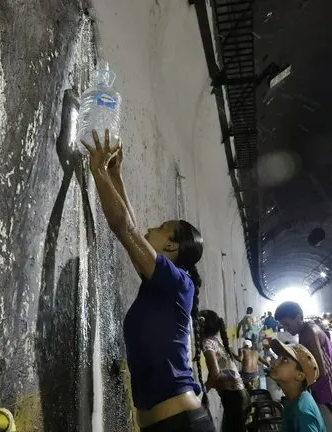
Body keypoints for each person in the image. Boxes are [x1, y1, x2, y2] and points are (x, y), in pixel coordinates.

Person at [82, 130, 215, 431]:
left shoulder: (177, 283)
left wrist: (98, 173)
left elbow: (125, 229)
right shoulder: (164, 285)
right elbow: (131, 230)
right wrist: (116, 175)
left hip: (181, 424)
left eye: (159, 227)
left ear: (170, 246)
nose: (149, 229)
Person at [275, 302, 332, 432]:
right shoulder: (305, 331)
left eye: (287, 324)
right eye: (283, 326)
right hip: (326, 395)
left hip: (331, 397)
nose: (286, 329)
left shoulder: (309, 332)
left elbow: (317, 370)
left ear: (298, 317)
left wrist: (292, 381)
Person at [200, 310, 251, 432]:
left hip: (234, 399)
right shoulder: (216, 341)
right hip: (242, 396)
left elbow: (215, 373)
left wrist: (204, 391)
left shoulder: (207, 343)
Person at [269, 339, 326, 432]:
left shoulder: (302, 412)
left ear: (299, 376)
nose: (275, 362)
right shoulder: (294, 399)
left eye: (284, 360)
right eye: (278, 357)